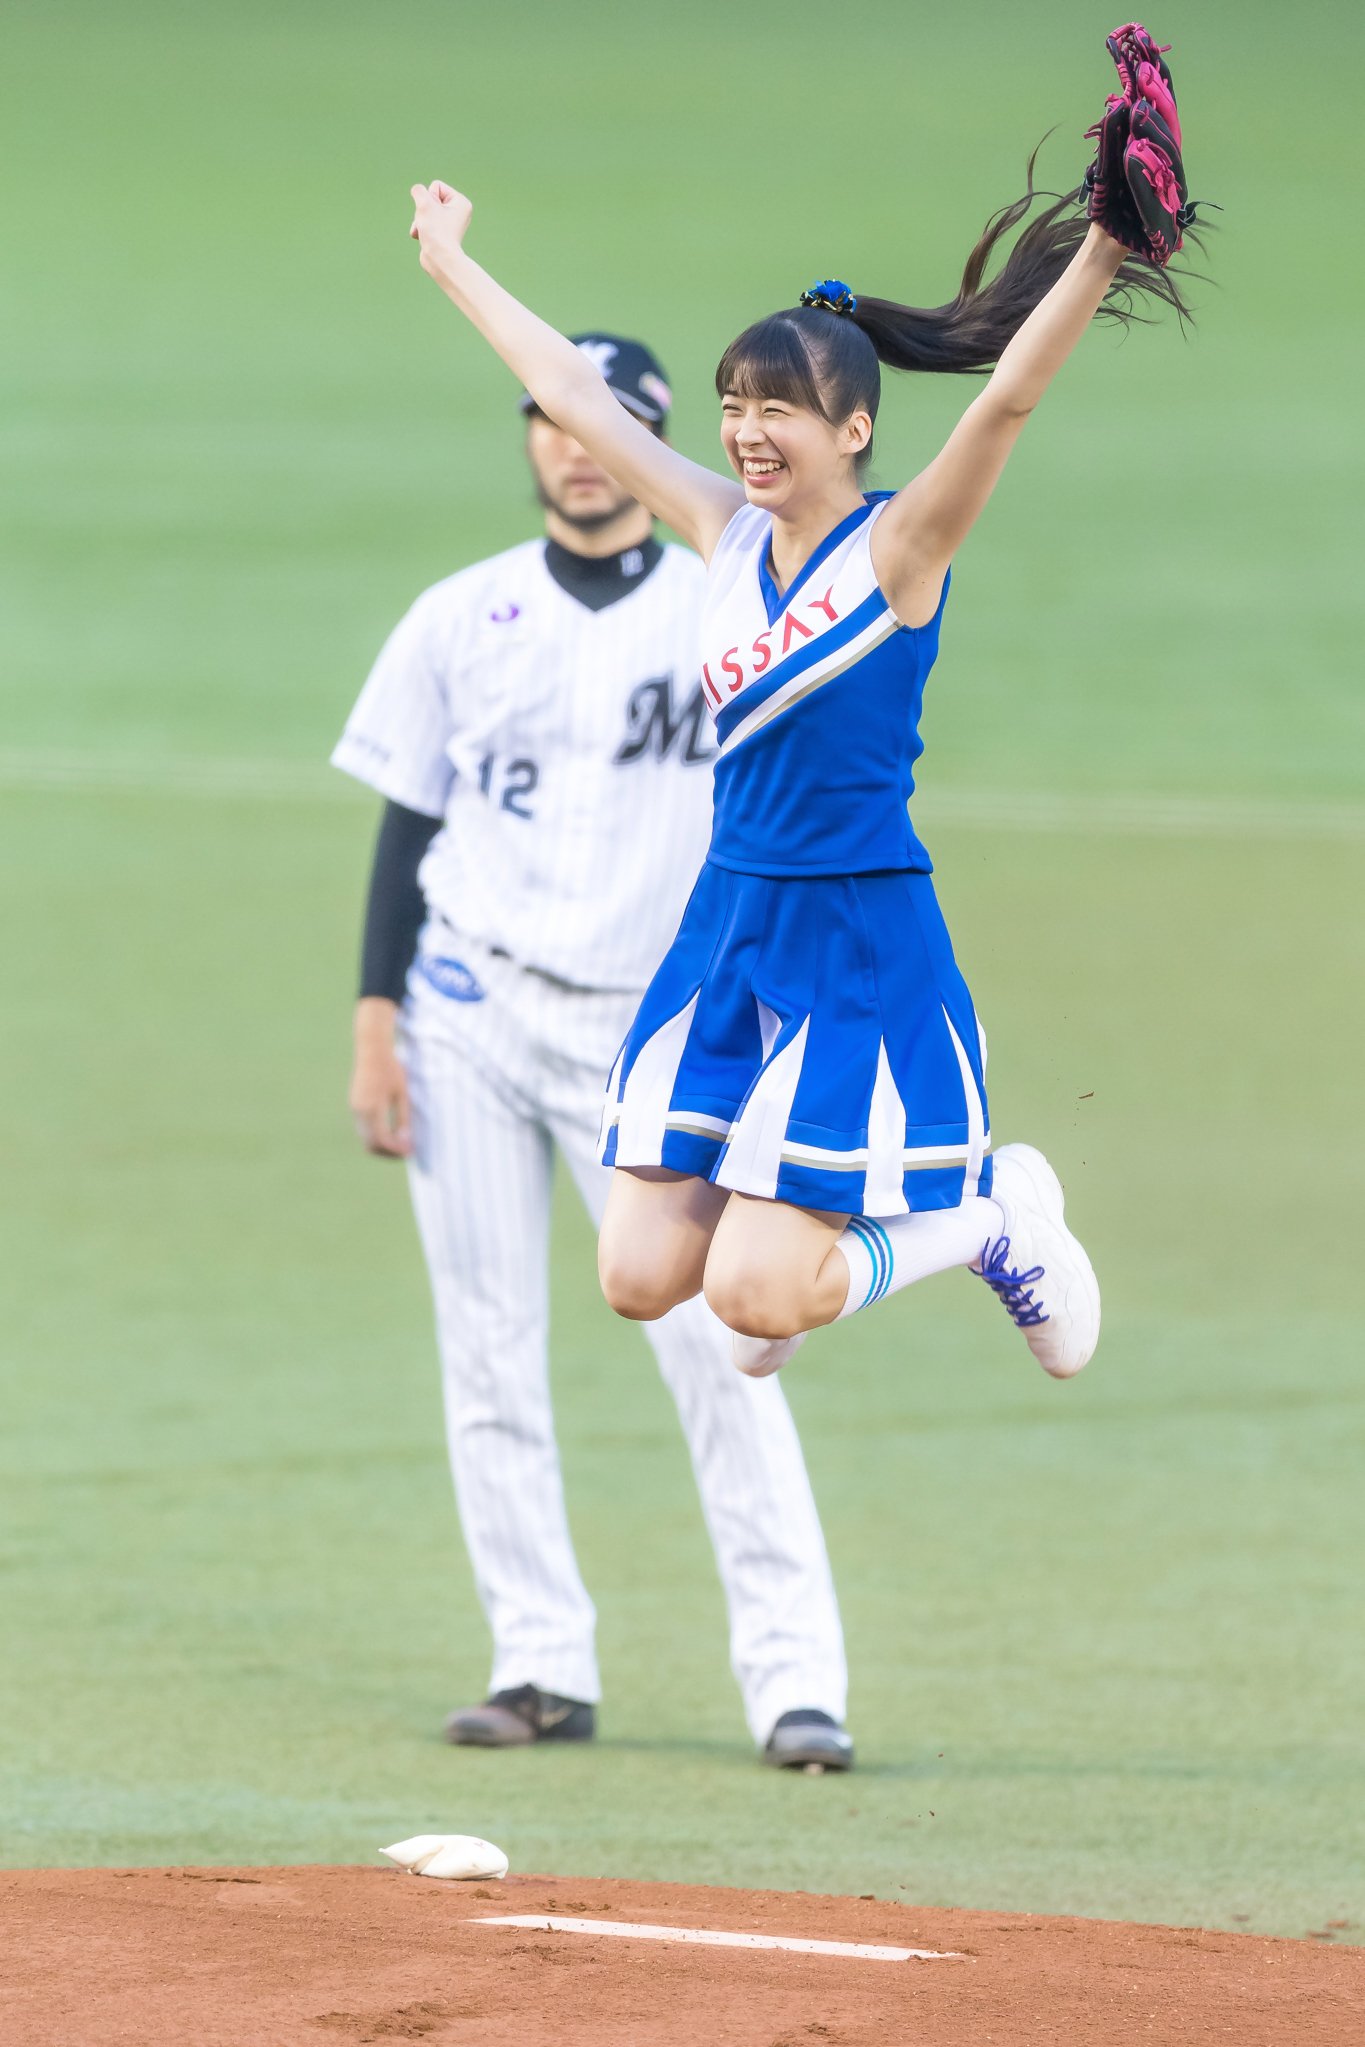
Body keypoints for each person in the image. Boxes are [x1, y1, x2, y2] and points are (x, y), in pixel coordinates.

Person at [403, 28, 1196, 1383]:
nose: (746, 431)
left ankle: (994, 1220)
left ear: (853, 431)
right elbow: (574, 397)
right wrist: (451, 263)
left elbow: (1006, 402)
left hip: (853, 933)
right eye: (732, 405)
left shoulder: (899, 551)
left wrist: (1106, 249)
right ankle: (781, 1266)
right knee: (638, 1278)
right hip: (732, 919)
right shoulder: (719, 533)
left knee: (756, 1300)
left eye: (777, 409)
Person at [333, 334, 854, 1772]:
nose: (575, 447)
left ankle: (795, 1684)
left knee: (721, 1347)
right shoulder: (460, 614)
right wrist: (376, 1022)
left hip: (656, 1037)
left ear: (651, 440)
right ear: (531, 436)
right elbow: (408, 822)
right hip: (468, 1012)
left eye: (608, 423)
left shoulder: (725, 604)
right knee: (486, 1346)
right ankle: (539, 1664)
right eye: (554, 420)